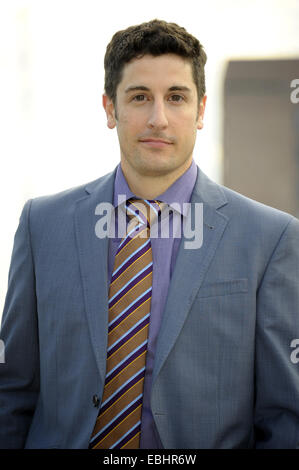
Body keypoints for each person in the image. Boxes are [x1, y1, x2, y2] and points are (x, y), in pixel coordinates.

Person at [0, 18, 299, 450]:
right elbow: (12, 390)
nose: (158, 118)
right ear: (109, 108)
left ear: (199, 111)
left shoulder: (270, 239)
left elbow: (284, 415)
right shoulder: (40, 225)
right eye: (140, 97)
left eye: (176, 97)